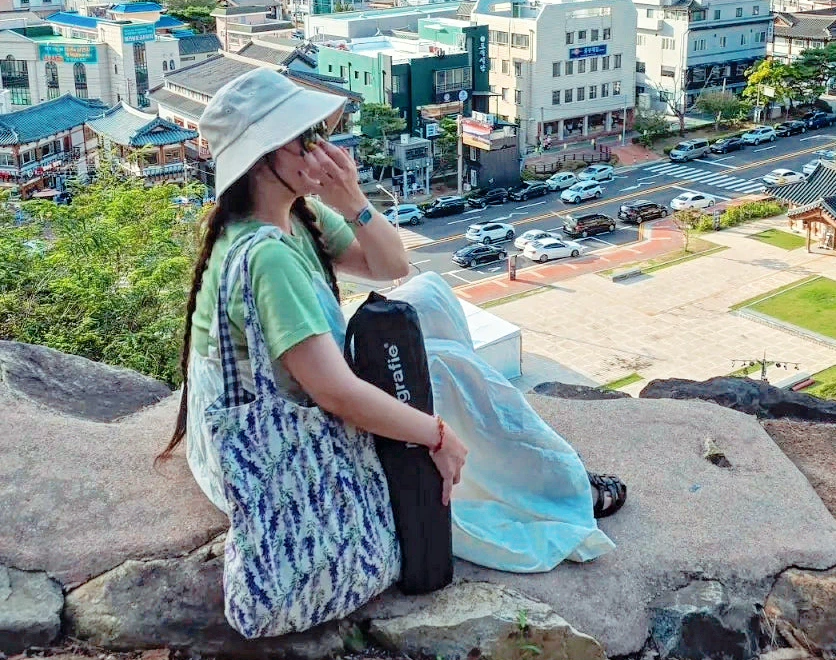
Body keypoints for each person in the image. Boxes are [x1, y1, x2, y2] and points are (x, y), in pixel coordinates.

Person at [161, 67, 625, 578]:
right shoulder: (267, 256)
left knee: (428, 296)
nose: (323, 148)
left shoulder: (294, 217)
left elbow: (391, 266)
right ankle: (546, 487)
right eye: (305, 137)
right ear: (265, 156)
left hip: (269, 419)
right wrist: (437, 435)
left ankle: (523, 472)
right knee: (443, 372)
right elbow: (335, 393)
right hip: (272, 454)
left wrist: (354, 202)